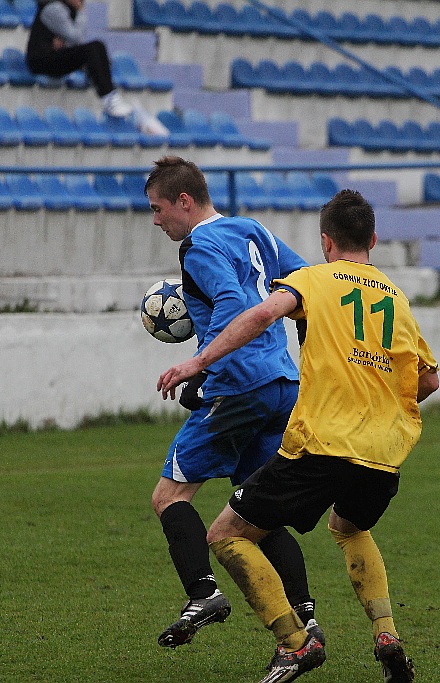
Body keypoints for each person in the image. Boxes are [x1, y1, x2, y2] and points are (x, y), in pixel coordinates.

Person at [158, 189, 439, 683]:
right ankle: (386, 634)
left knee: (226, 534)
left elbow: (261, 314)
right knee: (349, 528)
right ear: (373, 239)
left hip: (320, 443)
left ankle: (294, 642)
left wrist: (197, 362)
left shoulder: (312, 280)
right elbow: (428, 381)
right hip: (383, 451)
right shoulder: (395, 296)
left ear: (326, 242)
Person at [143, 156, 322, 651]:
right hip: (281, 382)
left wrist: (199, 365)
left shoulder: (199, 246)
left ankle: (202, 594)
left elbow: (231, 302)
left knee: (168, 497)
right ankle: (305, 616)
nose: (156, 220)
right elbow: (306, 279)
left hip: (239, 386)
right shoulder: (251, 229)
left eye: (157, 208)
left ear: (184, 201)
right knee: (256, 509)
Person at [26, 0, 134, 118]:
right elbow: (76, 37)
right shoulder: (54, 8)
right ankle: (108, 97)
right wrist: (81, 11)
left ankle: (109, 92)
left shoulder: (68, 9)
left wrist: (65, 41)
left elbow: (74, 40)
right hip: (41, 61)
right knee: (92, 49)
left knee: (98, 48)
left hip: (54, 56)